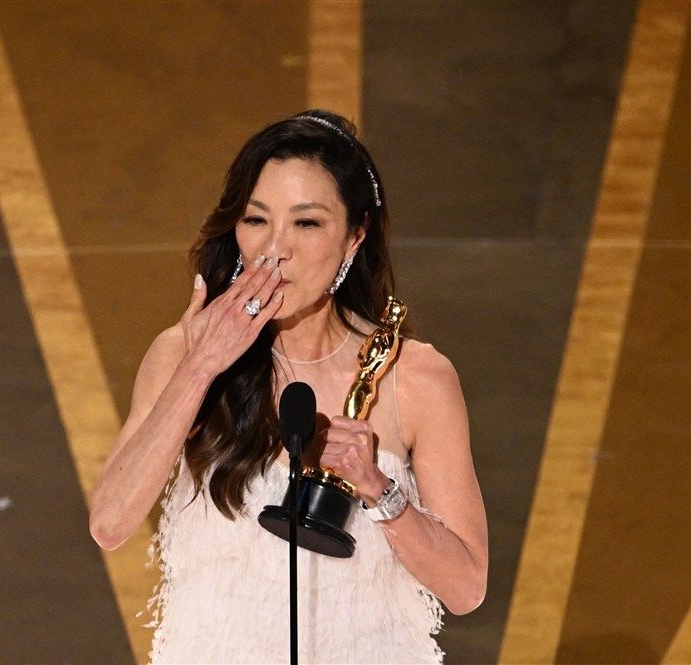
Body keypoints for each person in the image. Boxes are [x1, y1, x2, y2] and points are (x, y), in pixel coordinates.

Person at [89, 110, 487, 664]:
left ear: (353, 239)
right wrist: (202, 365)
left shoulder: (413, 377)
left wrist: (378, 491)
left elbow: (466, 587)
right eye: (256, 220)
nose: (275, 250)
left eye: (306, 223)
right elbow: (110, 522)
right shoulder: (184, 354)